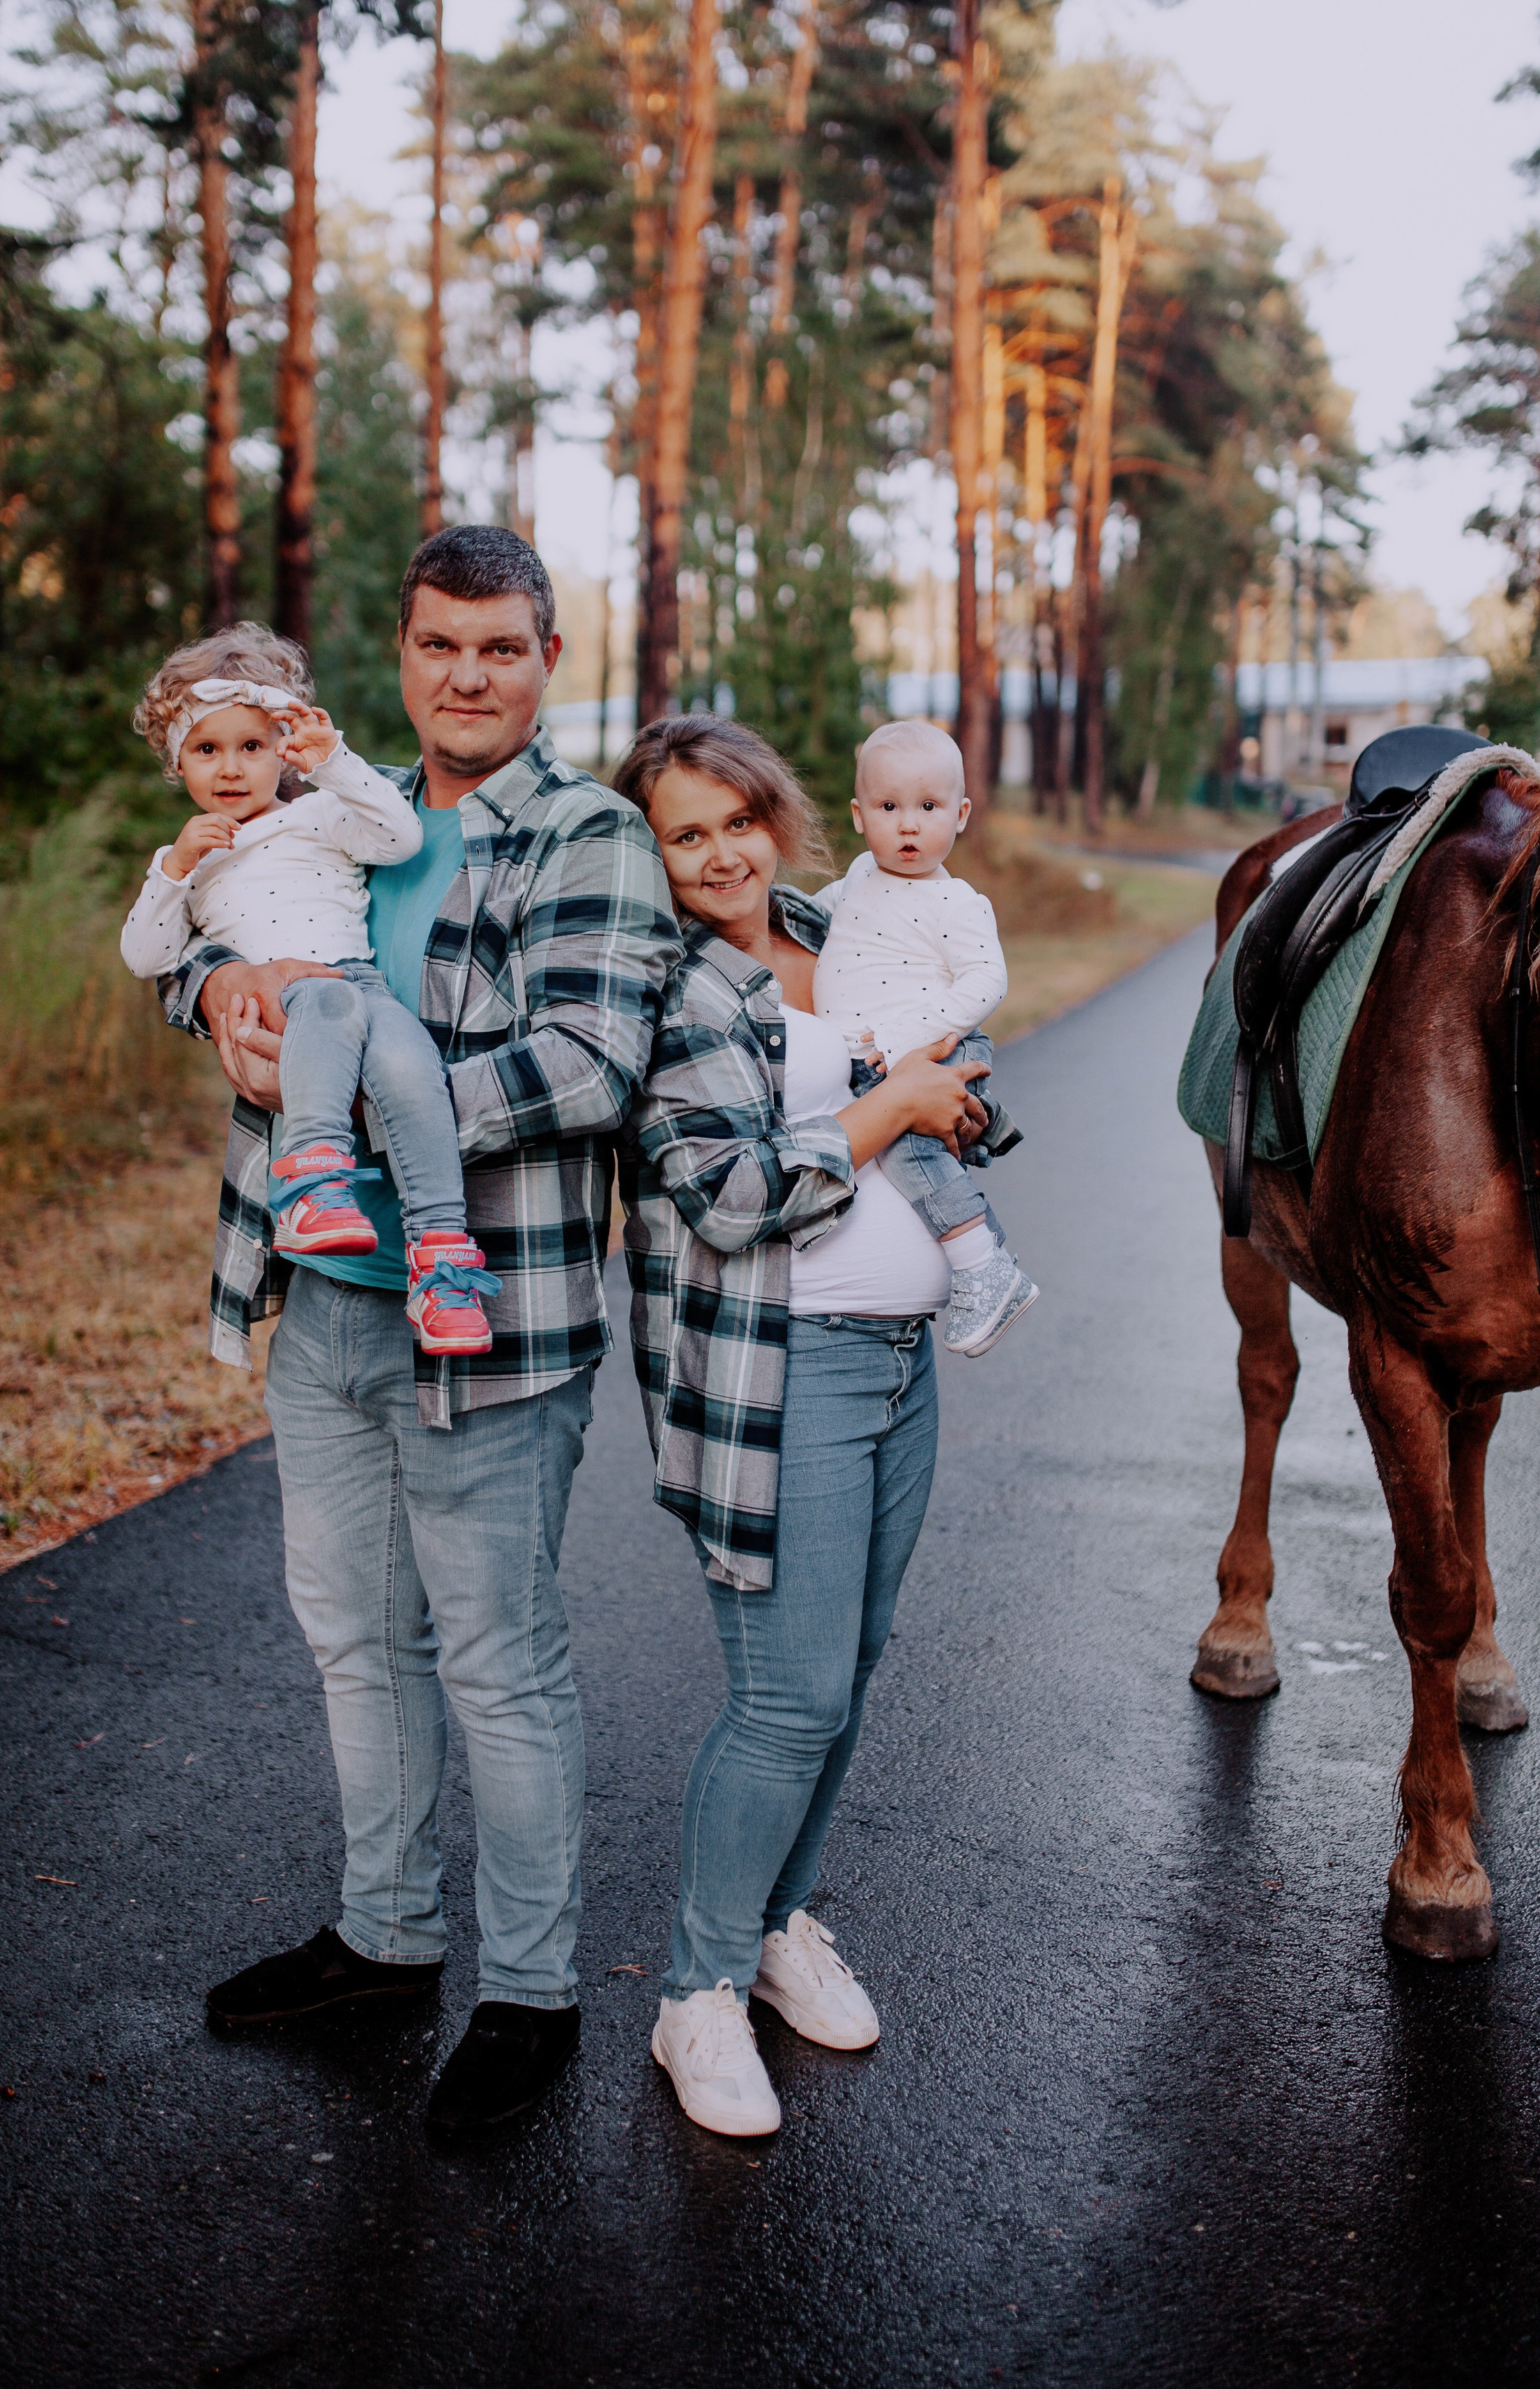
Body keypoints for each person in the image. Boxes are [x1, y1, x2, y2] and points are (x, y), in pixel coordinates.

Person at [158, 526, 680, 2138]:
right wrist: (218, 995)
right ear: (400, 653)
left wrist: (356, 1104)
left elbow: (587, 1063)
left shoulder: (589, 833)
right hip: (325, 1298)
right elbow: (207, 922)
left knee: (497, 1659)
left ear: (546, 661)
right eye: (439, 644)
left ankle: (528, 1991)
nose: (466, 676)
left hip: (493, 1318)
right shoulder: (330, 797)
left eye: (499, 647)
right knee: (351, 1633)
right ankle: (384, 1935)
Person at [613, 712, 1008, 2139]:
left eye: (738, 820)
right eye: (685, 834)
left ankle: (776, 1927)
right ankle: (697, 1992)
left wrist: (951, 1104)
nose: (722, 854)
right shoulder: (662, 979)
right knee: (785, 1698)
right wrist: (896, 1100)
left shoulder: (833, 928)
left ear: (779, 814)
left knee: (847, 1668)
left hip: (898, 1363)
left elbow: (937, 1062)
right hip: (778, 1371)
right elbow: (725, 1193)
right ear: (649, 854)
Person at [121, 629, 498, 1356]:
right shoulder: (188, 857)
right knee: (327, 1001)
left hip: (360, 983)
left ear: (281, 749)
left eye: (252, 746)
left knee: (416, 1069)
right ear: (177, 761)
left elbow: (400, 838)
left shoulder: (319, 812)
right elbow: (148, 956)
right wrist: (173, 870)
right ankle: (314, 1184)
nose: (232, 768)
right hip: (289, 999)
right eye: (206, 749)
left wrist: (334, 762)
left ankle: (441, 1262)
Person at [813, 717, 1036, 1357]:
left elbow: (986, 982)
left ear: (960, 815)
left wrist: (907, 1038)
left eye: (928, 807)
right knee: (881, 1144)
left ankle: (983, 1264)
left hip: (933, 1048)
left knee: (907, 1151)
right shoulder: (859, 875)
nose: (908, 825)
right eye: (889, 807)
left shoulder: (956, 903)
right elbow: (817, 918)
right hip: (876, 1056)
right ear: (860, 816)